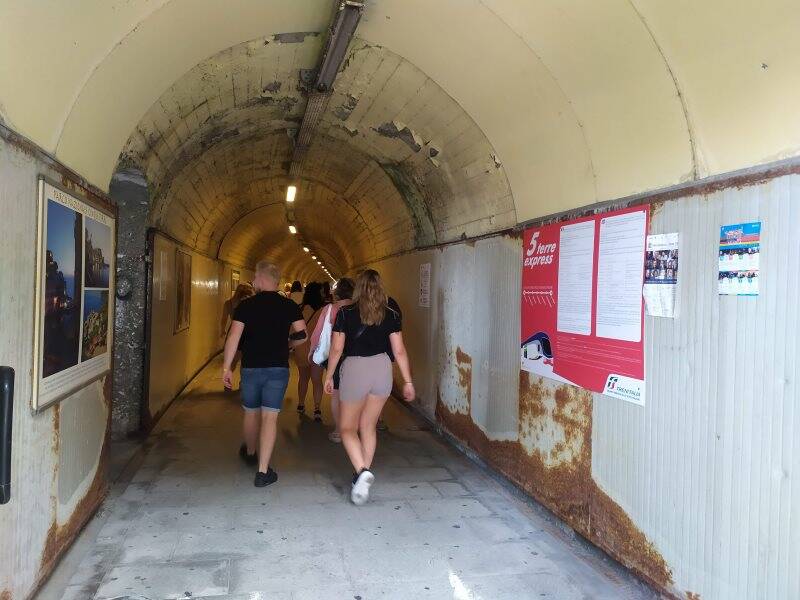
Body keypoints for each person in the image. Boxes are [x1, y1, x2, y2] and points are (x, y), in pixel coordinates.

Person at [324, 269, 415, 505]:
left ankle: (362, 471)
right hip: (382, 368)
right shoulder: (391, 313)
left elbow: (336, 349)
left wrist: (330, 375)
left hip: (355, 368)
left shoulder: (346, 313)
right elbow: (399, 350)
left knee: (346, 429)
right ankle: (360, 477)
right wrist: (407, 380)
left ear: (358, 288)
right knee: (368, 426)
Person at [222, 260, 306, 487]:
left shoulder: (246, 306)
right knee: (270, 417)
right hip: (278, 368)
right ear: (277, 280)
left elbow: (233, 338)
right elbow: (302, 335)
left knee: (251, 413)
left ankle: (250, 452)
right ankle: (262, 471)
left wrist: (227, 367)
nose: (254, 281)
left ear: (261, 278)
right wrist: (288, 345)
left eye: (255, 277)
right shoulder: (288, 306)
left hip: (250, 367)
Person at [308, 277, 355, 442]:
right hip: (354, 355)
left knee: (336, 393)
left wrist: (312, 350)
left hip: (334, 356)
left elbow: (318, 333)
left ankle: (338, 430)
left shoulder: (329, 309)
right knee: (353, 393)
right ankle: (352, 428)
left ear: (337, 292)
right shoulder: (359, 308)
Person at [294, 282, 326, 419]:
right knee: (317, 380)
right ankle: (317, 409)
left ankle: (301, 404)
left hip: (301, 348)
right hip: (318, 350)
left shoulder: (299, 309)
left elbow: (293, 330)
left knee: (303, 378)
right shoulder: (324, 311)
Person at [220, 283, 255, 391]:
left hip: (233, 331)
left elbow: (224, 319)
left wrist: (222, 330)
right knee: (245, 361)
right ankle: (242, 383)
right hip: (247, 333)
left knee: (232, 361)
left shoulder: (229, 303)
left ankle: (227, 383)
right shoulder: (250, 304)